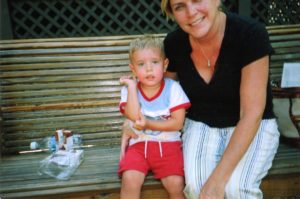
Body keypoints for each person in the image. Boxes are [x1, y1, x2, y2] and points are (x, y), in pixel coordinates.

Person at [157, 0, 281, 198]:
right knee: (198, 190)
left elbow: (251, 113)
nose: (191, 12)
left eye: (197, 0)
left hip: (252, 124)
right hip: (200, 124)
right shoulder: (174, 44)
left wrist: (217, 180)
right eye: (180, 6)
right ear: (172, 12)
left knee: (236, 190)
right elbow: (162, 99)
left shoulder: (249, 34)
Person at [118, 35, 191, 199]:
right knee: (129, 179)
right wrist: (131, 87)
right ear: (133, 69)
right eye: (141, 64)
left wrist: (148, 124)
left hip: (169, 147)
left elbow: (177, 123)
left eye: (155, 62)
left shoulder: (173, 89)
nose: (149, 69)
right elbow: (132, 115)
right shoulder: (130, 90)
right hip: (138, 147)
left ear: (165, 65)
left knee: (176, 184)